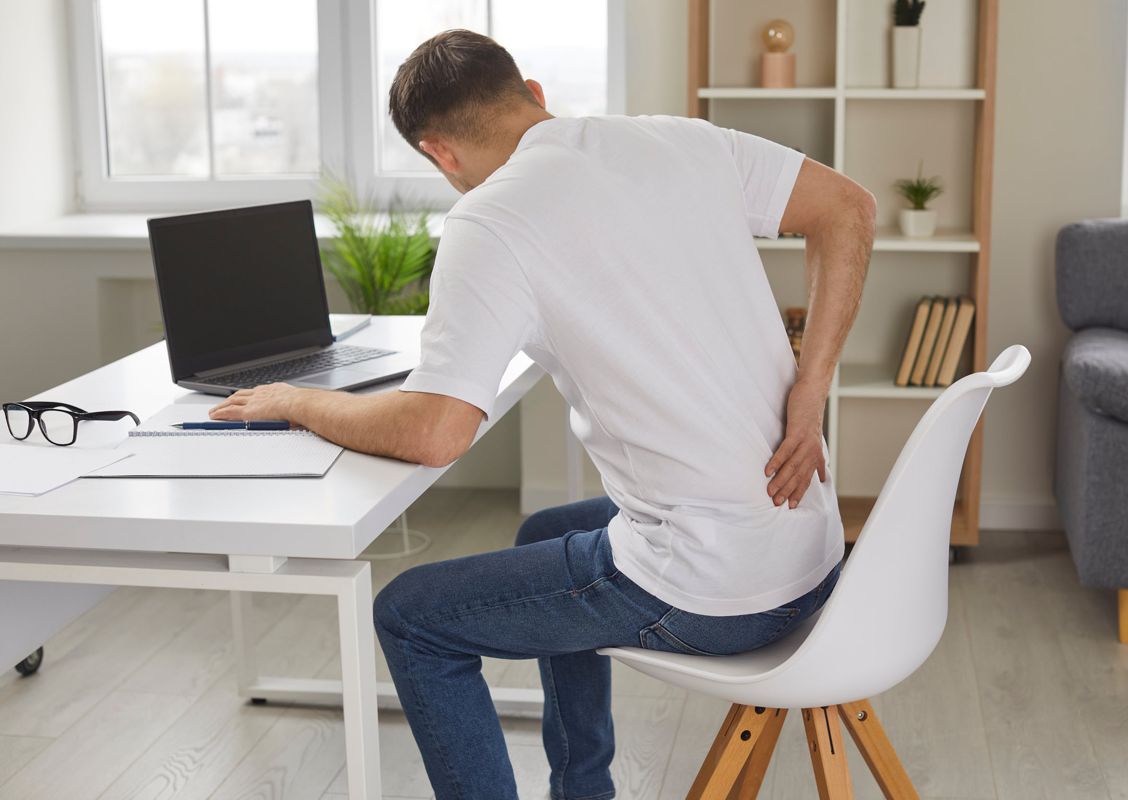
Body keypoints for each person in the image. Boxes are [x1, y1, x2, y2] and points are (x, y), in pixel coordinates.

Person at [209, 28, 874, 800]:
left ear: (439, 154)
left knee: (408, 617)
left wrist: (295, 400)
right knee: (545, 534)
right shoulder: (681, 140)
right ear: (534, 94)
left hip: (713, 595)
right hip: (809, 552)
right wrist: (810, 384)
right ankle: (582, 790)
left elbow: (435, 433)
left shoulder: (488, 220)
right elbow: (848, 209)